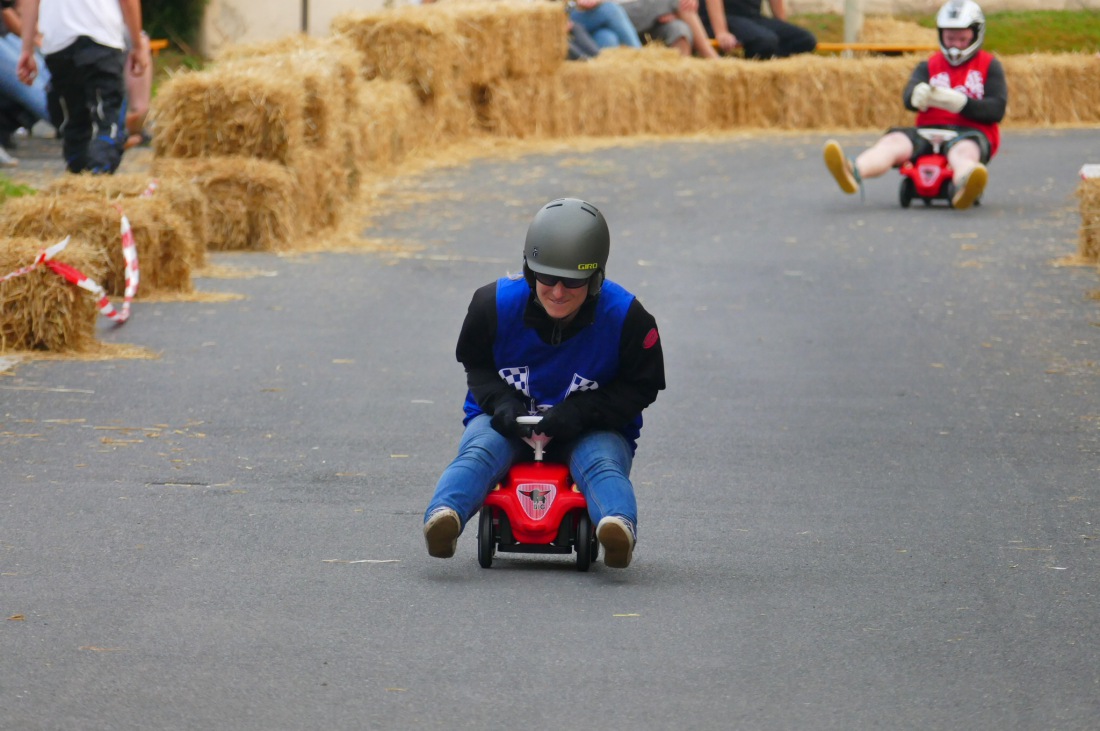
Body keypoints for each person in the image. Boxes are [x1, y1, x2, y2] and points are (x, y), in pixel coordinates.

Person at [423, 198, 666, 569]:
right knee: (481, 451)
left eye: (573, 281)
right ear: (529, 269)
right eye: (547, 277)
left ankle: (617, 526)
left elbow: (642, 386)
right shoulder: (492, 306)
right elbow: (477, 365)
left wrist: (584, 412)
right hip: (507, 420)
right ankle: (445, 516)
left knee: (600, 463)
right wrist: (501, 404)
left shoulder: (629, 320)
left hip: (590, 426)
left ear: (596, 277)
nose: (557, 291)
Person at [822, 0, 1006, 211]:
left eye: (962, 39)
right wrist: (915, 96)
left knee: (962, 153)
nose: (955, 44)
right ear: (941, 35)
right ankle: (854, 171)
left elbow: (997, 109)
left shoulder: (989, 66)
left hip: (969, 133)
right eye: (950, 38)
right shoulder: (928, 65)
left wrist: (961, 104)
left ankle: (966, 182)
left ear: (975, 34)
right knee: (893, 142)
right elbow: (908, 97)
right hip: (927, 130)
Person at [16, 0, 145, 174]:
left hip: (58, 43)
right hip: (102, 38)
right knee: (107, 115)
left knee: (73, 117)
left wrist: (27, 49)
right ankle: (100, 172)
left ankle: (78, 169)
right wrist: (137, 45)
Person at [0, 0, 51, 166]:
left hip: (6, 33)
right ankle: (77, 127)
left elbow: (10, 7)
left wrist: (32, 39)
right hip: (7, 33)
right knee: (32, 86)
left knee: (43, 76)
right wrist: (30, 42)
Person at [699, 0, 816, 59]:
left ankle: (773, 71)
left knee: (805, 40)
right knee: (765, 41)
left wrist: (782, 26)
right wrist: (721, 31)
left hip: (752, 17)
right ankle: (746, 77)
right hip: (724, 16)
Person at [618, 0, 720, 59]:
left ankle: (681, 80)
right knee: (681, 2)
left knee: (680, 30)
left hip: (650, 16)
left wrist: (665, 9)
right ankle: (710, 56)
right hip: (618, 11)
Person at [569, 0, 643, 50]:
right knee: (610, 9)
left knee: (607, 37)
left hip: (579, 16)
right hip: (568, 18)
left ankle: (607, 68)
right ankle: (638, 52)